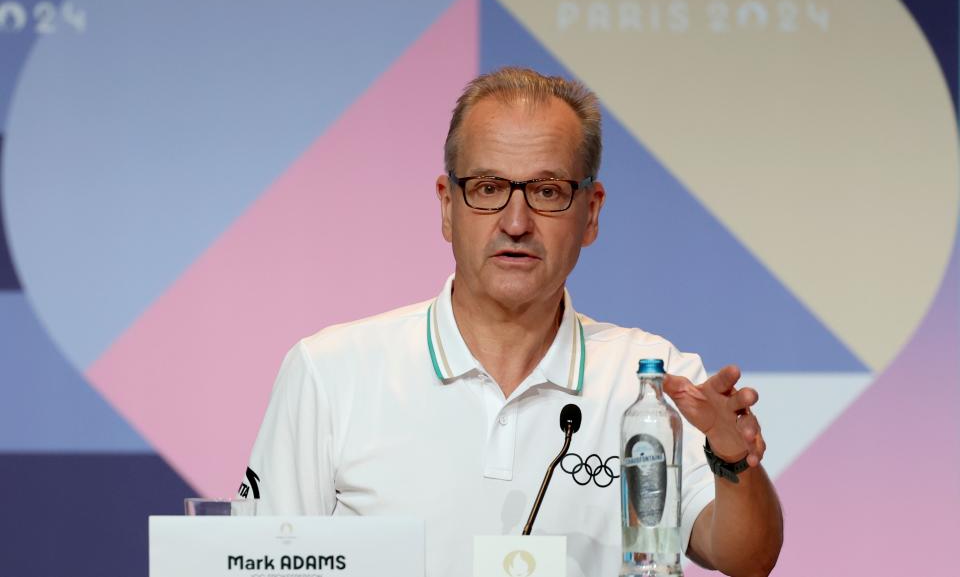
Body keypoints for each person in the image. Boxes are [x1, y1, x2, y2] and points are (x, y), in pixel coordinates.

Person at [244, 67, 783, 577]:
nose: (517, 222)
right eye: (487, 188)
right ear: (446, 206)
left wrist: (732, 460)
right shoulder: (331, 371)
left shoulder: (654, 381)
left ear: (590, 211)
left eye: (547, 191)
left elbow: (746, 558)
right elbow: (258, 560)